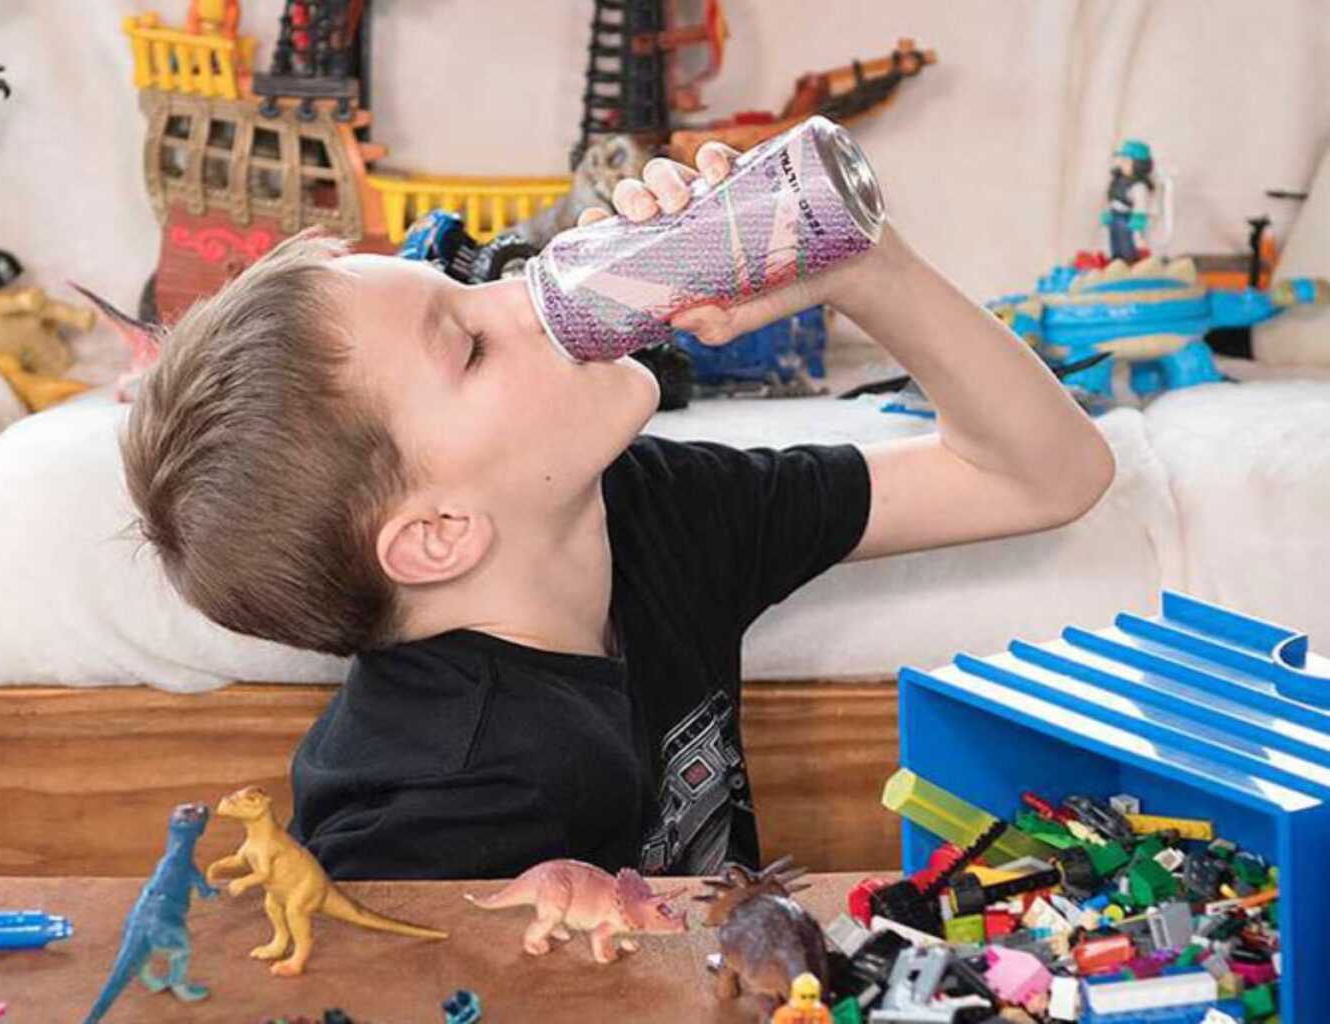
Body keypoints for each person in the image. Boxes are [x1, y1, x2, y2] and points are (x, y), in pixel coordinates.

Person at [120, 141, 1115, 879]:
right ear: (439, 533)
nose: (523, 288)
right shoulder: (440, 796)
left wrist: (862, 268)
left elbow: (1043, 474)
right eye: (469, 345)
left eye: (467, 284)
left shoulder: (649, 509)